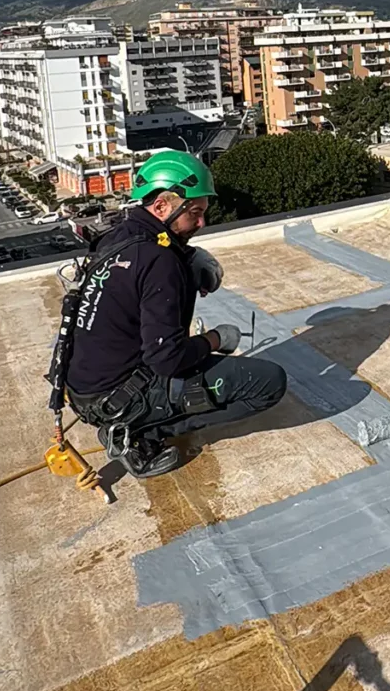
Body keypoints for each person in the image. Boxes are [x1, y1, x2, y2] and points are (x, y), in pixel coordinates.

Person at [64, 150, 287, 479]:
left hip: (84, 387)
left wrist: (186, 262)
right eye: (194, 213)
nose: (201, 223)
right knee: (269, 383)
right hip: (119, 397)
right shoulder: (158, 262)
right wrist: (214, 339)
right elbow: (167, 360)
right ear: (162, 207)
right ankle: (136, 435)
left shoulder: (119, 237)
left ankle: (132, 421)